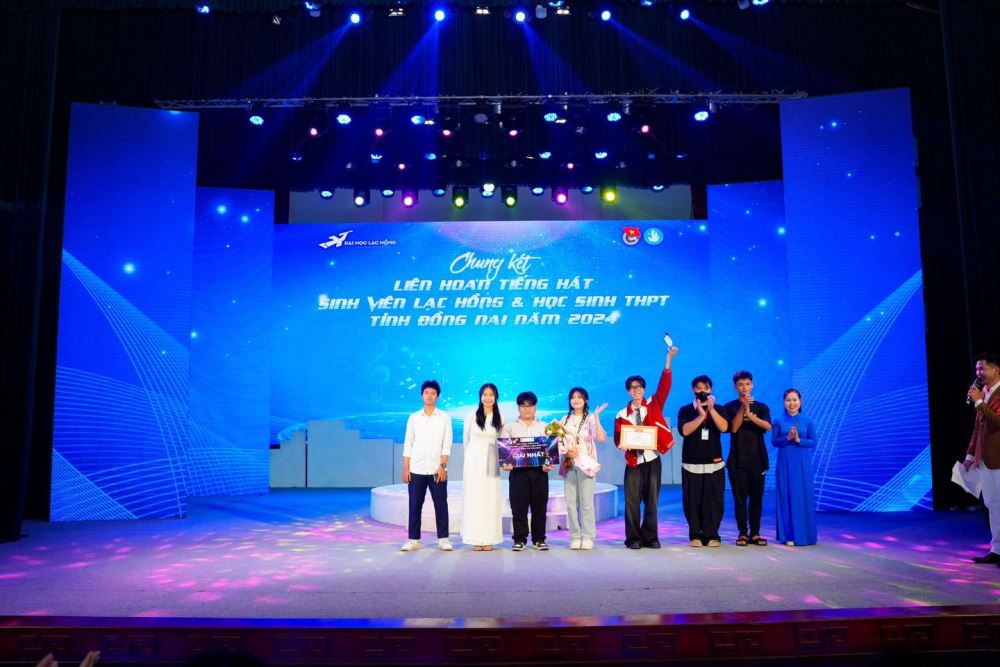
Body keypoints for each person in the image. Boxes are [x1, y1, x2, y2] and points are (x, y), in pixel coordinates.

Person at [613, 343, 679, 549]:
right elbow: (618, 438)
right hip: (633, 462)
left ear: (644, 389)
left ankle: (651, 537)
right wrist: (622, 444)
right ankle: (633, 538)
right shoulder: (621, 414)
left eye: (640, 387)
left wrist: (668, 362)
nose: (637, 390)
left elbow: (664, 386)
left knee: (652, 500)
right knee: (632, 502)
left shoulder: (653, 404)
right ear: (628, 391)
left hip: (652, 459)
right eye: (633, 387)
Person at [400, 380, 453, 552]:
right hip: (417, 468)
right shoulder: (414, 418)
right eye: (426, 393)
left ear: (438, 396)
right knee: (415, 505)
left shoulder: (444, 417)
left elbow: (447, 444)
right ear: (422, 395)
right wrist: (406, 468)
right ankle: (413, 539)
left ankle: (443, 539)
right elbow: (408, 444)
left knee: (441, 505)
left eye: (433, 393)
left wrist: (442, 466)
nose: (429, 396)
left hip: (437, 469)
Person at [677, 375, 728, 547]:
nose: (703, 391)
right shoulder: (685, 410)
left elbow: (724, 427)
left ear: (711, 390)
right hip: (691, 464)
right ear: (693, 390)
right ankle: (695, 534)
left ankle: (712, 534)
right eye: (699, 388)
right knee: (692, 501)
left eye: (706, 388)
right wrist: (700, 415)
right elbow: (685, 431)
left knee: (714, 500)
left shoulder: (719, 409)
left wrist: (711, 410)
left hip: (715, 463)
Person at [500, 391, 553, 551]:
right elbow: (504, 451)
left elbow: (550, 450)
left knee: (540, 507)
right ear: (518, 407)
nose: (527, 409)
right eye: (523, 406)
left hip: (539, 472)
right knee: (518, 507)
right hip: (518, 472)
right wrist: (506, 463)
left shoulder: (545, 427)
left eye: (530, 406)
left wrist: (549, 463)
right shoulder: (509, 426)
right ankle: (519, 539)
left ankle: (539, 539)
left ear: (535, 407)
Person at [724, 370, 772, 547]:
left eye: (747, 384)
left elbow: (767, 426)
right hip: (737, 461)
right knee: (740, 500)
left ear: (752, 385)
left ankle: (755, 533)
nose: (744, 387)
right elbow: (733, 428)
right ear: (735, 387)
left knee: (756, 500)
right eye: (740, 385)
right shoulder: (729, 407)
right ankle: (743, 533)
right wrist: (743, 408)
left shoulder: (762, 407)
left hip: (758, 460)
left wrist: (750, 415)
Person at [558, 387, 608, 550]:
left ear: (585, 400)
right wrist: (566, 451)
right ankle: (575, 536)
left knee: (586, 503)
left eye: (579, 397)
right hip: (569, 463)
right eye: (573, 397)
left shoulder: (590, 419)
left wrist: (597, 417)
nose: (576, 400)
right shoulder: (565, 419)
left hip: (586, 464)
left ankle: (587, 536)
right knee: (571, 504)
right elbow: (558, 442)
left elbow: (600, 438)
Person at [964, 351, 1000, 566]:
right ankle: (997, 549)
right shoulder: (984, 393)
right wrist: (970, 455)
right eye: (977, 368)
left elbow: (997, 422)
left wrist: (979, 403)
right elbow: (978, 429)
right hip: (985, 459)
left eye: (982, 368)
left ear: (996, 369)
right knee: (992, 504)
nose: (978, 373)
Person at [771, 388, 817, 546]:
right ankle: (789, 535)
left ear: (800, 401)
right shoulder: (778, 420)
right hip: (785, 461)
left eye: (795, 400)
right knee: (786, 495)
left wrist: (798, 440)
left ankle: (806, 535)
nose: (792, 403)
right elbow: (774, 441)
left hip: (802, 462)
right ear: (784, 402)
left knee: (802, 495)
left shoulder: (807, 420)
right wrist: (787, 438)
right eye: (788, 400)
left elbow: (813, 442)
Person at [461, 383, 504, 551]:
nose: (488, 398)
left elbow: (502, 443)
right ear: (480, 396)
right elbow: (466, 441)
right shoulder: (471, 416)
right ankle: (475, 538)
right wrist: (469, 460)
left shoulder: (499, 418)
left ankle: (490, 538)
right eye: (485, 394)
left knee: (490, 499)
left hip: (492, 462)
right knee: (474, 498)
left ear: (496, 397)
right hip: (473, 462)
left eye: (491, 394)